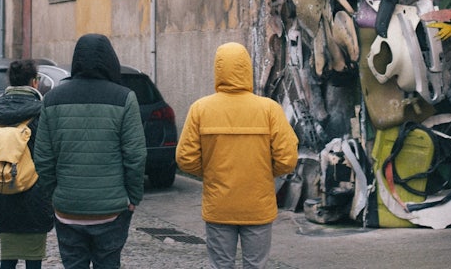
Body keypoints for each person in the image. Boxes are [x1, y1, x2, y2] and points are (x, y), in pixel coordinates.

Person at [176, 41, 298, 269]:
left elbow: (185, 159)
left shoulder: (200, 109)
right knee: (255, 265)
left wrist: (211, 172)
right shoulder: (269, 109)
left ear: (218, 69)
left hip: (219, 205)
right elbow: (287, 158)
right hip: (258, 206)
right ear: (246, 69)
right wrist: (264, 172)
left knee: (221, 265)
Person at [33, 33, 146, 269]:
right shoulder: (124, 98)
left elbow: (43, 158)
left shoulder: (51, 99)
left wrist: (55, 194)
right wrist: (133, 197)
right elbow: (135, 156)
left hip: (67, 207)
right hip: (111, 209)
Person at [0, 58, 54, 269]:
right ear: (34, 82)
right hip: (36, 196)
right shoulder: (41, 111)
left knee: (8, 257)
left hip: (3, 191)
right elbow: (48, 158)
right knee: (34, 261)